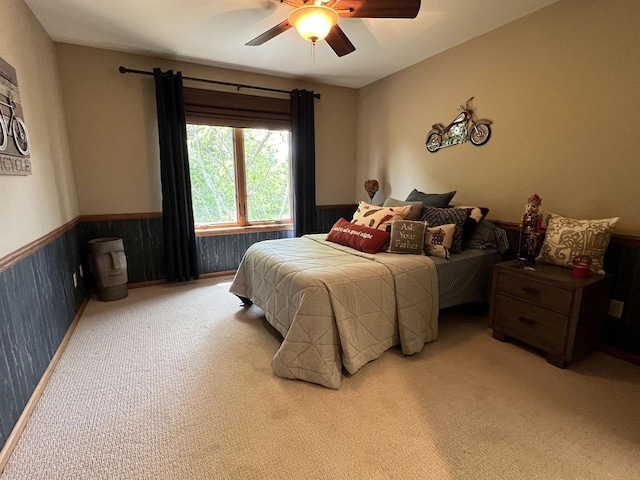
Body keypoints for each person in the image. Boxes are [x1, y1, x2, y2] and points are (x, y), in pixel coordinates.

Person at [519, 193, 542, 264]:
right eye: (529, 206)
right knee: (525, 243)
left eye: (534, 206)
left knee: (532, 244)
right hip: (527, 230)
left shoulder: (538, 217)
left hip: (533, 232)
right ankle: (524, 254)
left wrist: (538, 231)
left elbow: (538, 225)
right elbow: (525, 223)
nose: (530, 208)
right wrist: (522, 223)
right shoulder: (527, 215)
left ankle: (531, 257)